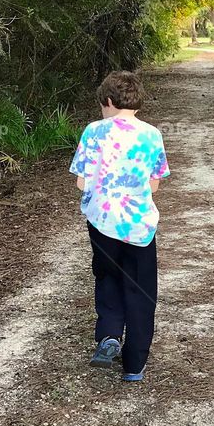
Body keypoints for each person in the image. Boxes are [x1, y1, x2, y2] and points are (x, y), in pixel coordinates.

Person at [70, 70, 170, 382]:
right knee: (140, 290)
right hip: (139, 227)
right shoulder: (151, 135)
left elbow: (80, 181)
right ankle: (134, 366)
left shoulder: (92, 131)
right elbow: (154, 186)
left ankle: (109, 335)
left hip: (102, 223)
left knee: (107, 277)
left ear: (109, 101)